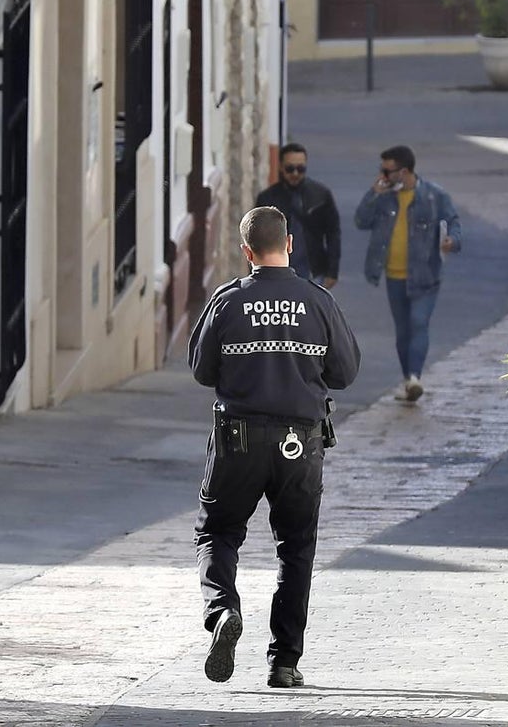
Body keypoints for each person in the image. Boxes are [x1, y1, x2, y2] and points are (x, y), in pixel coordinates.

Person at [189, 206, 361, 689]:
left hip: (237, 440)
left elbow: (202, 371)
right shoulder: (318, 301)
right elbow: (345, 373)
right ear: (289, 245)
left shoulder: (227, 302)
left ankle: (222, 610)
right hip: (299, 445)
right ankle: (284, 662)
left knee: (217, 534)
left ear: (246, 252)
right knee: (296, 547)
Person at [353, 144, 461, 403]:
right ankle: (408, 382)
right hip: (394, 275)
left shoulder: (434, 196)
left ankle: (414, 377)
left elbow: (454, 222)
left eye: (387, 171)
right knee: (402, 331)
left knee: (419, 322)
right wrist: (373, 194)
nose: (382, 176)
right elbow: (360, 221)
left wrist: (452, 241)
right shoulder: (384, 197)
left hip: (425, 275)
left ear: (403, 171)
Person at [255, 143, 342, 288]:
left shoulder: (321, 195)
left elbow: (333, 233)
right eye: (290, 169)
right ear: (281, 167)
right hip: (277, 272)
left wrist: (332, 271)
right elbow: (257, 238)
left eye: (300, 169)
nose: (295, 173)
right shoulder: (267, 198)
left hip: (313, 272)